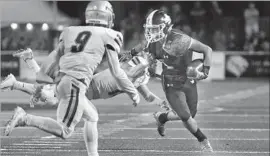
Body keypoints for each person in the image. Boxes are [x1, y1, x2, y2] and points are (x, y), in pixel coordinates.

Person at [4, 2, 140, 156]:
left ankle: (93, 154)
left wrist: (39, 83)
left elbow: (49, 65)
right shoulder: (110, 34)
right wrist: (133, 92)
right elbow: (116, 71)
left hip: (64, 80)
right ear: (107, 16)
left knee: (92, 116)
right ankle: (25, 118)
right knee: (65, 130)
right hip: (75, 84)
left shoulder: (69, 31)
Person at [129, 10, 213, 152]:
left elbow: (207, 49)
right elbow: (145, 49)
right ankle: (203, 139)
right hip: (170, 83)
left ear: (166, 27)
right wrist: (140, 59)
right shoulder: (153, 42)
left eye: (155, 29)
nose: (151, 33)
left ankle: (162, 117)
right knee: (186, 117)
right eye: (150, 29)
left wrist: (205, 70)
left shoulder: (180, 39)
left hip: (187, 78)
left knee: (191, 114)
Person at [1, 48, 168, 109]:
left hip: (90, 88)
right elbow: (129, 73)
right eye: (159, 64)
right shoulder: (138, 66)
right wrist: (147, 61)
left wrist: (161, 103)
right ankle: (16, 80)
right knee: (50, 96)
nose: (160, 70)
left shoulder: (141, 77)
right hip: (89, 85)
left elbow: (147, 95)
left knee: (50, 91)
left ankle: (26, 63)